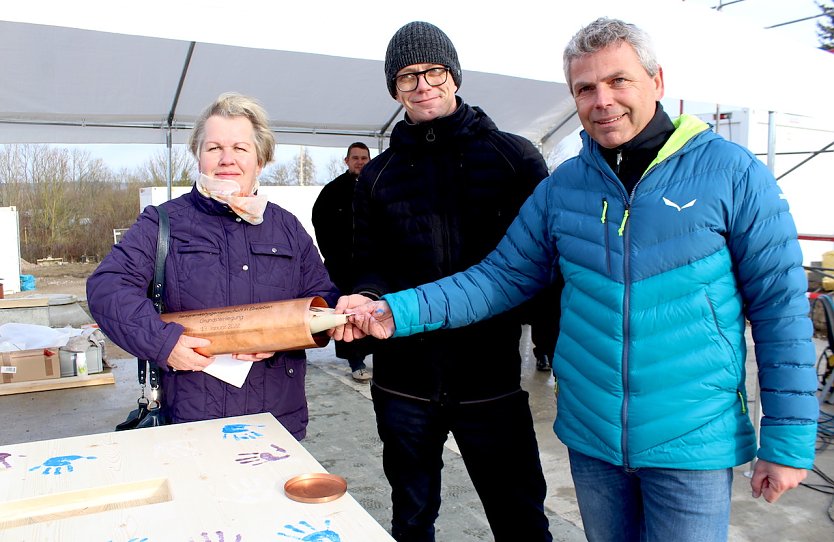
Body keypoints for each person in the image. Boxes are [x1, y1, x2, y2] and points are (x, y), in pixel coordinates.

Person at [338, 17, 818, 542]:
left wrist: (788, 439)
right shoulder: (565, 187)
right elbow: (499, 277)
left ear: (657, 82)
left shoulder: (732, 172)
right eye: (585, 88)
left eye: (618, 81)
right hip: (593, 441)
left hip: (692, 438)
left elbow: (780, 310)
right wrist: (392, 311)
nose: (602, 99)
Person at [339, 21, 554, 541]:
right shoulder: (377, 176)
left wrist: (554, 345)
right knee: (412, 519)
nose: (423, 85)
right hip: (405, 381)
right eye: (407, 77)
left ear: (454, 76)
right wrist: (365, 299)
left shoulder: (513, 157)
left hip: (490, 379)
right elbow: (365, 263)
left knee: (520, 518)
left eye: (433, 70)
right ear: (395, 89)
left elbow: (545, 267)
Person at [87, 92, 338, 440]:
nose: (227, 159)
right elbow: (108, 287)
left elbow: (321, 297)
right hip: (195, 416)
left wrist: (284, 334)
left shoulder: (286, 227)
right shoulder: (163, 223)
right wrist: (163, 344)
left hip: (278, 417)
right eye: (214, 147)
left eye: (240, 148)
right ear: (198, 155)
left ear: (260, 160)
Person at [312, 142, 374, 382]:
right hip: (344, 266)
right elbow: (320, 223)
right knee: (349, 314)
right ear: (346, 161)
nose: (360, 162)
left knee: (374, 310)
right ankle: (355, 361)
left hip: (372, 265)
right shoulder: (333, 190)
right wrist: (335, 254)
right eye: (355, 158)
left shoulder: (376, 186)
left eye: (364, 158)